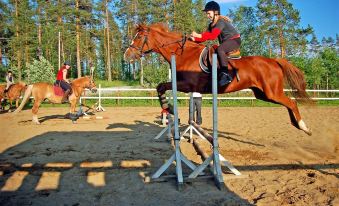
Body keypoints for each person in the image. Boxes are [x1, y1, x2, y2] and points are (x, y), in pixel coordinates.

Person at [190, 1, 241, 87]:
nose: (207, 16)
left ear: (215, 12)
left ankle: (225, 74)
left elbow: (213, 36)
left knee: (220, 49)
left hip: (234, 40)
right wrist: (193, 39)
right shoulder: (211, 25)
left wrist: (197, 35)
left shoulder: (220, 22)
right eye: (206, 14)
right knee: (214, 49)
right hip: (226, 42)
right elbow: (205, 36)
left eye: (209, 13)